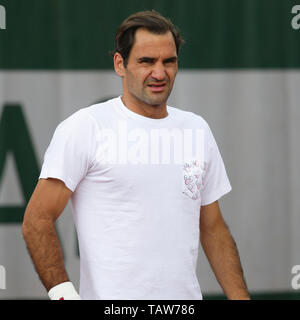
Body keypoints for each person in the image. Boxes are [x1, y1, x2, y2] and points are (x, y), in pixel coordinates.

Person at [22, 10, 250, 300]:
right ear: (120, 64)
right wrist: (64, 296)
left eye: (169, 61)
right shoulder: (86, 127)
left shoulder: (197, 129)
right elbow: (37, 219)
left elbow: (213, 228)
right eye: (146, 61)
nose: (159, 73)